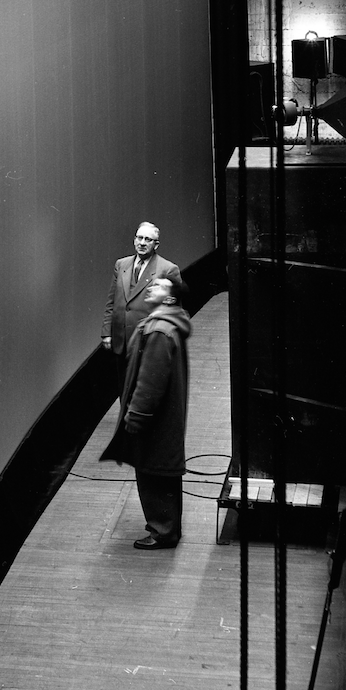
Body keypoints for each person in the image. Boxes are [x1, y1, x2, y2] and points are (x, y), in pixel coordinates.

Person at [101, 274, 192, 548]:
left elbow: (150, 380)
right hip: (164, 415)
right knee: (162, 469)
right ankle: (168, 527)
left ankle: (162, 532)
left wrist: (136, 415)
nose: (151, 286)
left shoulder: (158, 331)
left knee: (153, 470)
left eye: (159, 286)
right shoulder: (167, 325)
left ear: (170, 299)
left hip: (154, 417)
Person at [100, 222, 183, 396]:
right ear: (134, 240)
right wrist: (107, 332)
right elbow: (112, 301)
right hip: (121, 340)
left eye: (148, 239)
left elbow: (174, 308)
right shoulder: (121, 264)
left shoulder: (168, 269)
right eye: (139, 238)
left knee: (143, 389)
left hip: (148, 339)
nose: (142, 243)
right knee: (124, 387)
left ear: (156, 245)